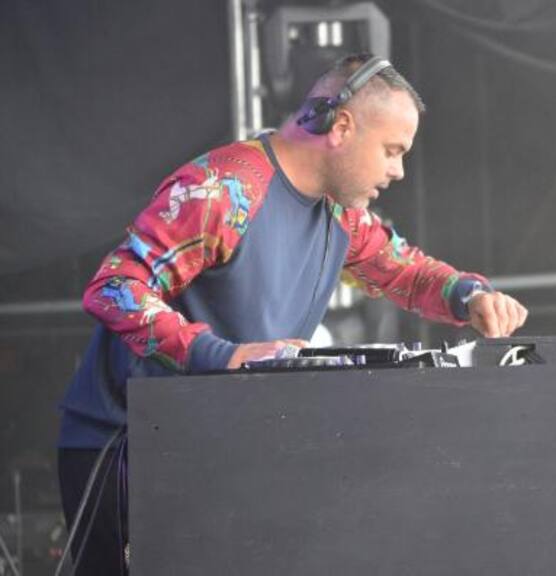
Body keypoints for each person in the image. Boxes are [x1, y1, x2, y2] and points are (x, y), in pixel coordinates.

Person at [57, 53, 527, 574]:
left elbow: (408, 273)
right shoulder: (226, 188)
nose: (398, 171)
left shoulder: (341, 215)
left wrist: (470, 296)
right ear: (341, 127)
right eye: (392, 151)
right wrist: (223, 356)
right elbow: (115, 287)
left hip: (216, 447)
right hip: (125, 449)